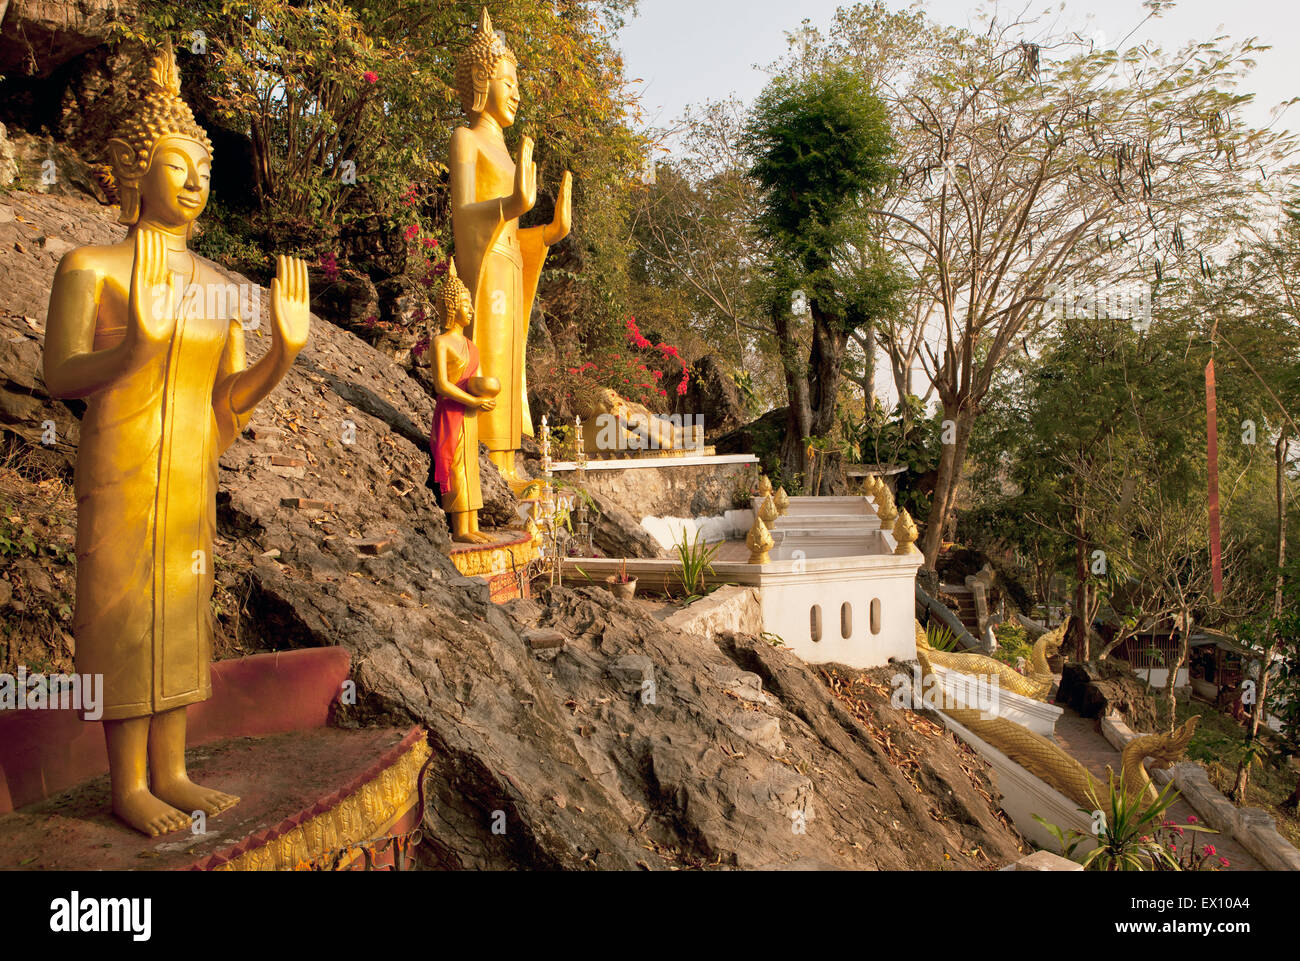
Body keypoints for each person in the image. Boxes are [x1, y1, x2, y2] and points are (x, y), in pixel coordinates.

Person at [41, 42, 309, 836]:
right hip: (120, 468)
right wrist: (128, 353)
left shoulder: (220, 289)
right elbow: (59, 372)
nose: (194, 181)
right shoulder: (92, 267)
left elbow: (229, 402)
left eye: (201, 167)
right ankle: (127, 782)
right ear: (132, 170)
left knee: (179, 610)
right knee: (124, 612)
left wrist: (282, 355)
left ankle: (176, 770)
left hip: (190, 469)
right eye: (175, 163)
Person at [430, 263, 499, 543]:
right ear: (451, 306)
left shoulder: (472, 347)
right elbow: (442, 385)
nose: (470, 309)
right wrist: (472, 400)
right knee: (457, 467)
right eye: (465, 304)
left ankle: (472, 524)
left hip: (470, 414)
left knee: (471, 467)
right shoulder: (441, 343)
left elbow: (477, 378)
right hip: (451, 413)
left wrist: (485, 398)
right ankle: (460, 529)